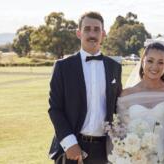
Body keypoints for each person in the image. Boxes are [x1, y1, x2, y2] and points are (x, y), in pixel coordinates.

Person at [48, 11, 122, 164]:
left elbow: (119, 106)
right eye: (87, 29)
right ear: (78, 33)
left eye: (96, 29)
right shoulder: (63, 67)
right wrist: (69, 143)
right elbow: (55, 109)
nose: (92, 34)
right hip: (72, 148)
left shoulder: (114, 67)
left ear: (103, 34)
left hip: (105, 150)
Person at [116, 38, 164, 164]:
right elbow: (120, 131)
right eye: (150, 61)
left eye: (160, 62)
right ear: (142, 62)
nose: (154, 67)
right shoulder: (127, 94)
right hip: (135, 159)